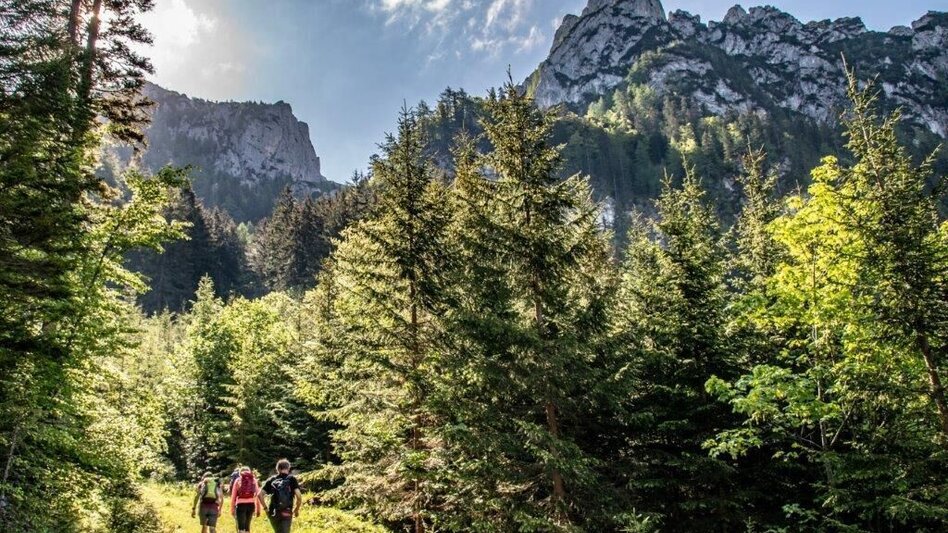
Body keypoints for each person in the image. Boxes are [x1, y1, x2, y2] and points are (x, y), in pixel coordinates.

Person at [257, 459, 302, 533]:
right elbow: (299, 496)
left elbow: (260, 495)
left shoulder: (271, 479)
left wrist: (265, 508)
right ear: (288, 468)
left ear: (277, 469)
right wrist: (296, 509)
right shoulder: (292, 479)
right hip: (287, 511)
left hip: (273, 511)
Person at [230, 466, 261, 533]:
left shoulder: (238, 480)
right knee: (247, 527)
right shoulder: (253, 480)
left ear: (240, 473)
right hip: (251, 505)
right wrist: (258, 509)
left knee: (241, 528)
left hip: (240, 505)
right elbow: (258, 495)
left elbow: (233, 496)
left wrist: (232, 509)